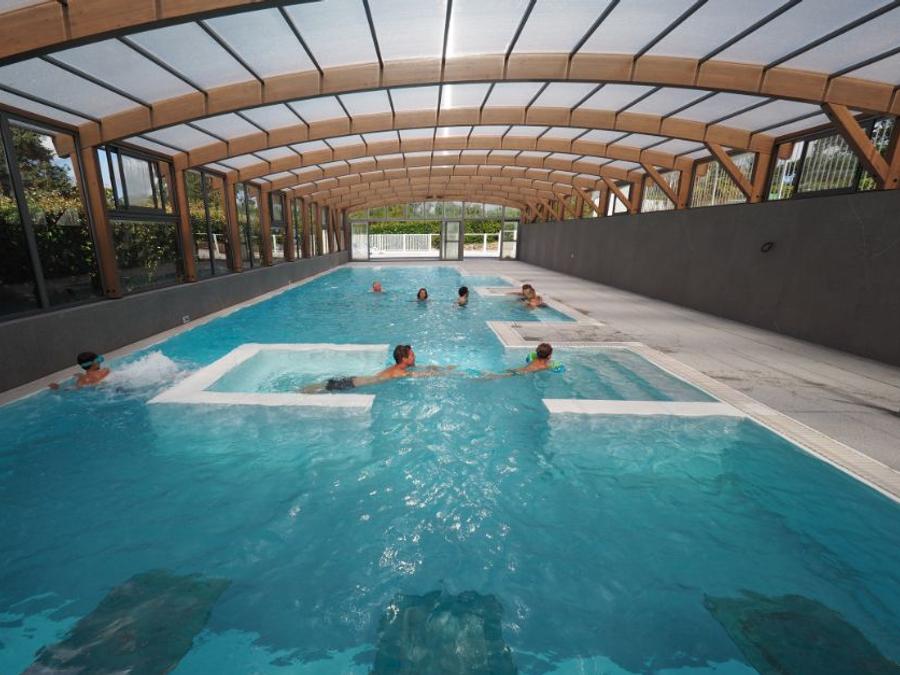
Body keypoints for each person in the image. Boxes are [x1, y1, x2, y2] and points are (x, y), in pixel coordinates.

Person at [302, 344, 453, 393]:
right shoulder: (398, 372)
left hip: (353, 381)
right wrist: (444, 373)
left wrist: (439, 367)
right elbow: (422, 375)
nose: (415, 357)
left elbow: (419, 370)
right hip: (352, 384)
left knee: (318, 387)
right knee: (312, 391)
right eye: (412, 355)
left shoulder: (396, 367)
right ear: (404, 359)